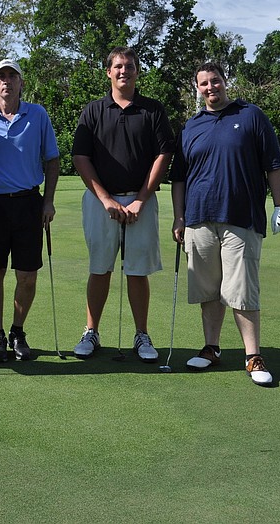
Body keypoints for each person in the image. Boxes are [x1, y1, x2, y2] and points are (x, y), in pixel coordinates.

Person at [170, 61, 280, 386]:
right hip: (198, 220)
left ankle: (253, 357)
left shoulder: (250, 115)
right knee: (208, 290)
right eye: (204, 83)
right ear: (198, 88)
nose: (211, 88)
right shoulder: (190, 127)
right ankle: (211, 349)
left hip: (240, 218)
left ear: (225, 82)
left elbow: (274, 164)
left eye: (216, 81)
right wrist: (179, 216)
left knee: (241, 290)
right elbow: (178, 178)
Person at [71, 46, 175, 361]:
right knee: (99, 268)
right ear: (108, 72)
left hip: (140, 202)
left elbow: (164, 154)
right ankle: (91, 332)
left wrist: (141, 199)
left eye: (129, 66)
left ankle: (142, 335)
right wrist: (104, 199)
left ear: (137, 71)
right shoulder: (93, 110)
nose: (123, 71)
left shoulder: (152, 110)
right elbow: (80, 157)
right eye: (117, 66)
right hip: (100, 202)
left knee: (137, 271)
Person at [0, 59, 60, 362]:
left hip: (28, 203)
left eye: (12, 76)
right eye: (1, 77)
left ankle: (17, 330)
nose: (6, 81)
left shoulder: (38, 115)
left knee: (27, 275)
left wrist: (48, 200)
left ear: (21, 83)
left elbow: (52, 160)